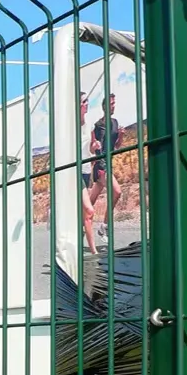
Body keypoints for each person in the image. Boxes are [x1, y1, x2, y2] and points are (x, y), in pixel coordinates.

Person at [91, 92, 123, 239]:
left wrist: (121, 135)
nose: (113, 106)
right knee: (117, 192)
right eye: (111, 104)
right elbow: (93, 146)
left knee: (89, 202)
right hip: (101, 165)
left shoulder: (115, 123)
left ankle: (78, 225)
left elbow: (116, 146)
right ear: (104, 107)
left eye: (114, 103)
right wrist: (94, 145)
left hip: (109, 165)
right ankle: (104, 226)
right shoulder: (99, 126)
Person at [80, 91, 99, 255]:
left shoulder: (90, 124)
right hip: (74, 172)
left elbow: (91, 146)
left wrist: (95, 147)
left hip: (86, 170)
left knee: (83, 214)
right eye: (84, 101)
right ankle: (94, 252)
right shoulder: (70, 126)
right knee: (89, 211)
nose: (87, 103)